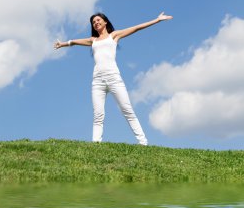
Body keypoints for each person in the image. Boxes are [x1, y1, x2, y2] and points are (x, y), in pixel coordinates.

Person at [54, 12, 173, 145]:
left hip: (114, 78)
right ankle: (96, 145)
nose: (96, 23)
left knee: (127, 110)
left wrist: (157, 20)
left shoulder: (114, 35)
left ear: (105, 22)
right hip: (97, 81)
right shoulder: (93, 40)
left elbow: (136, 28)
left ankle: (143, 142)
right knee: (98, 115)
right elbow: (75, 42)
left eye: (98, 20)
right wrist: (63, 44)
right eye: (93, 22)